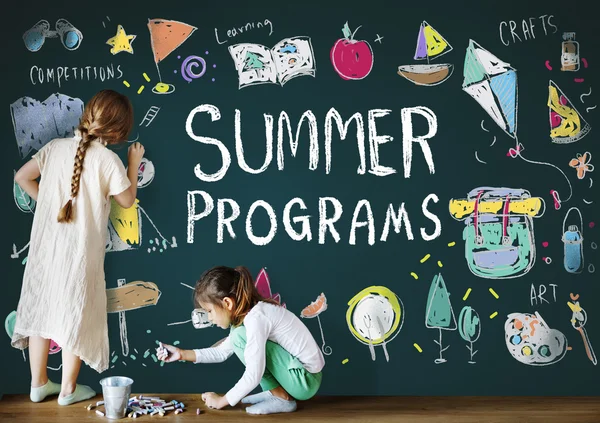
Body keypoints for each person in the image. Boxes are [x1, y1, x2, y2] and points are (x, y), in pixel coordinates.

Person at [11, 89, 145, 405]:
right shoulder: (108, 160)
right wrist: (133, 164)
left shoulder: (55, 149)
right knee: (74, 313)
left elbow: (22, 177)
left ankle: (38, 384)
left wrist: (46, 201)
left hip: (45, 250)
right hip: (79, 254)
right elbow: (127, 200)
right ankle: (68, 390)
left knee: (41, 310)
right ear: (116, 132)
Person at [158, 266, 325, 415]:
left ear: (227, 303)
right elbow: (221, 352)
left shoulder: (255, 319)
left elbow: (254, 374)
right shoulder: (248, 318)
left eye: (209, 311)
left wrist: (221, 401)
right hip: (299, 376)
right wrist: (181, 354)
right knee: (239, 336)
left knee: (239, 337)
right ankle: (277, 392)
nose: (209, 318)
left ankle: (283, 398)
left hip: (305, 380)